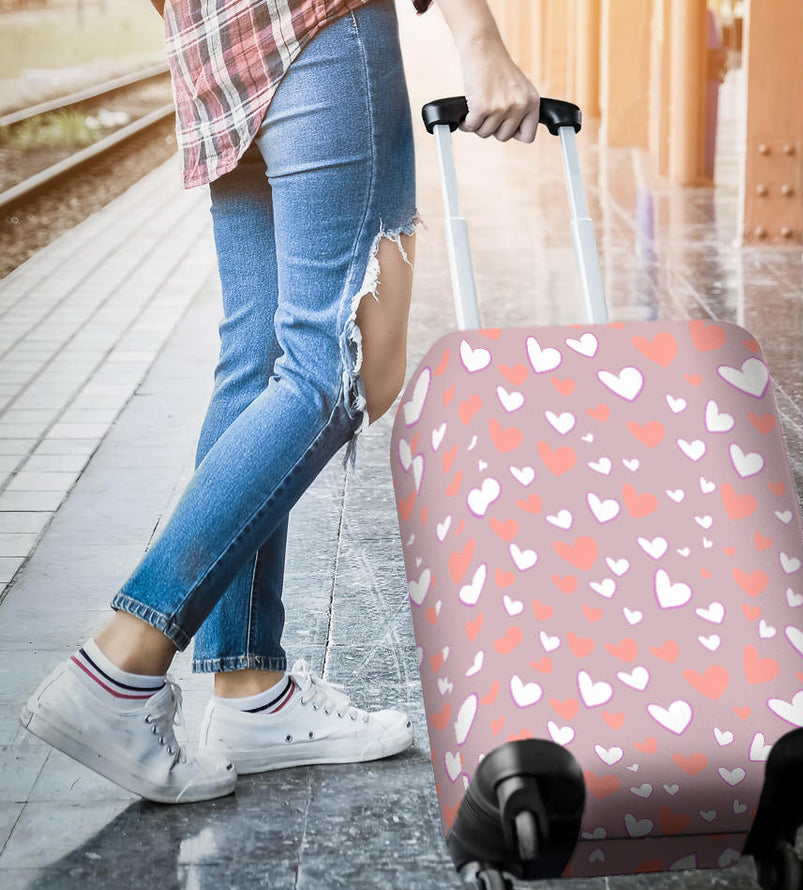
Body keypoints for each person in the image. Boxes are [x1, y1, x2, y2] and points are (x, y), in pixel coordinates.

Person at [20, 0, 540, 803]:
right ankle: (120, 665)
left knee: (259, 361)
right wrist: (480, 40)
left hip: (214, 47)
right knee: (339, 367)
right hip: (319, 25)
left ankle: (248, 690)